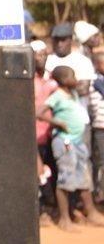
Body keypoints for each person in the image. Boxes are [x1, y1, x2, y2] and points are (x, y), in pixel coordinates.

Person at [37, 66, 104, 230]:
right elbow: (39, 113)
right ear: (63, 80)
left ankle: (91, 212)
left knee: (84, 176)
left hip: (78, 141)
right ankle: (64, 218)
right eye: (72, 76)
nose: (75, 79)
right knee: (66, 178)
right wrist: (58, 123)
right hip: (65, 142)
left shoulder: (73, 94)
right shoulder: (57, 96)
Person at [31, 40, 57, 213]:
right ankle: (41, 208)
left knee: (52, 169)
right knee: (37, 172)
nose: (41, 58)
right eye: (38, 55)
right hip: (34, 133)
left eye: (44, 54)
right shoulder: (26, 79)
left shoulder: (53, 77)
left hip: (52, 132)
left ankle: (53, 206)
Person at [89, 52, 104, 203]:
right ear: (97, 65)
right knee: (100, 162)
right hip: (100, 127)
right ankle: (98, 193)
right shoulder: (96, 81)